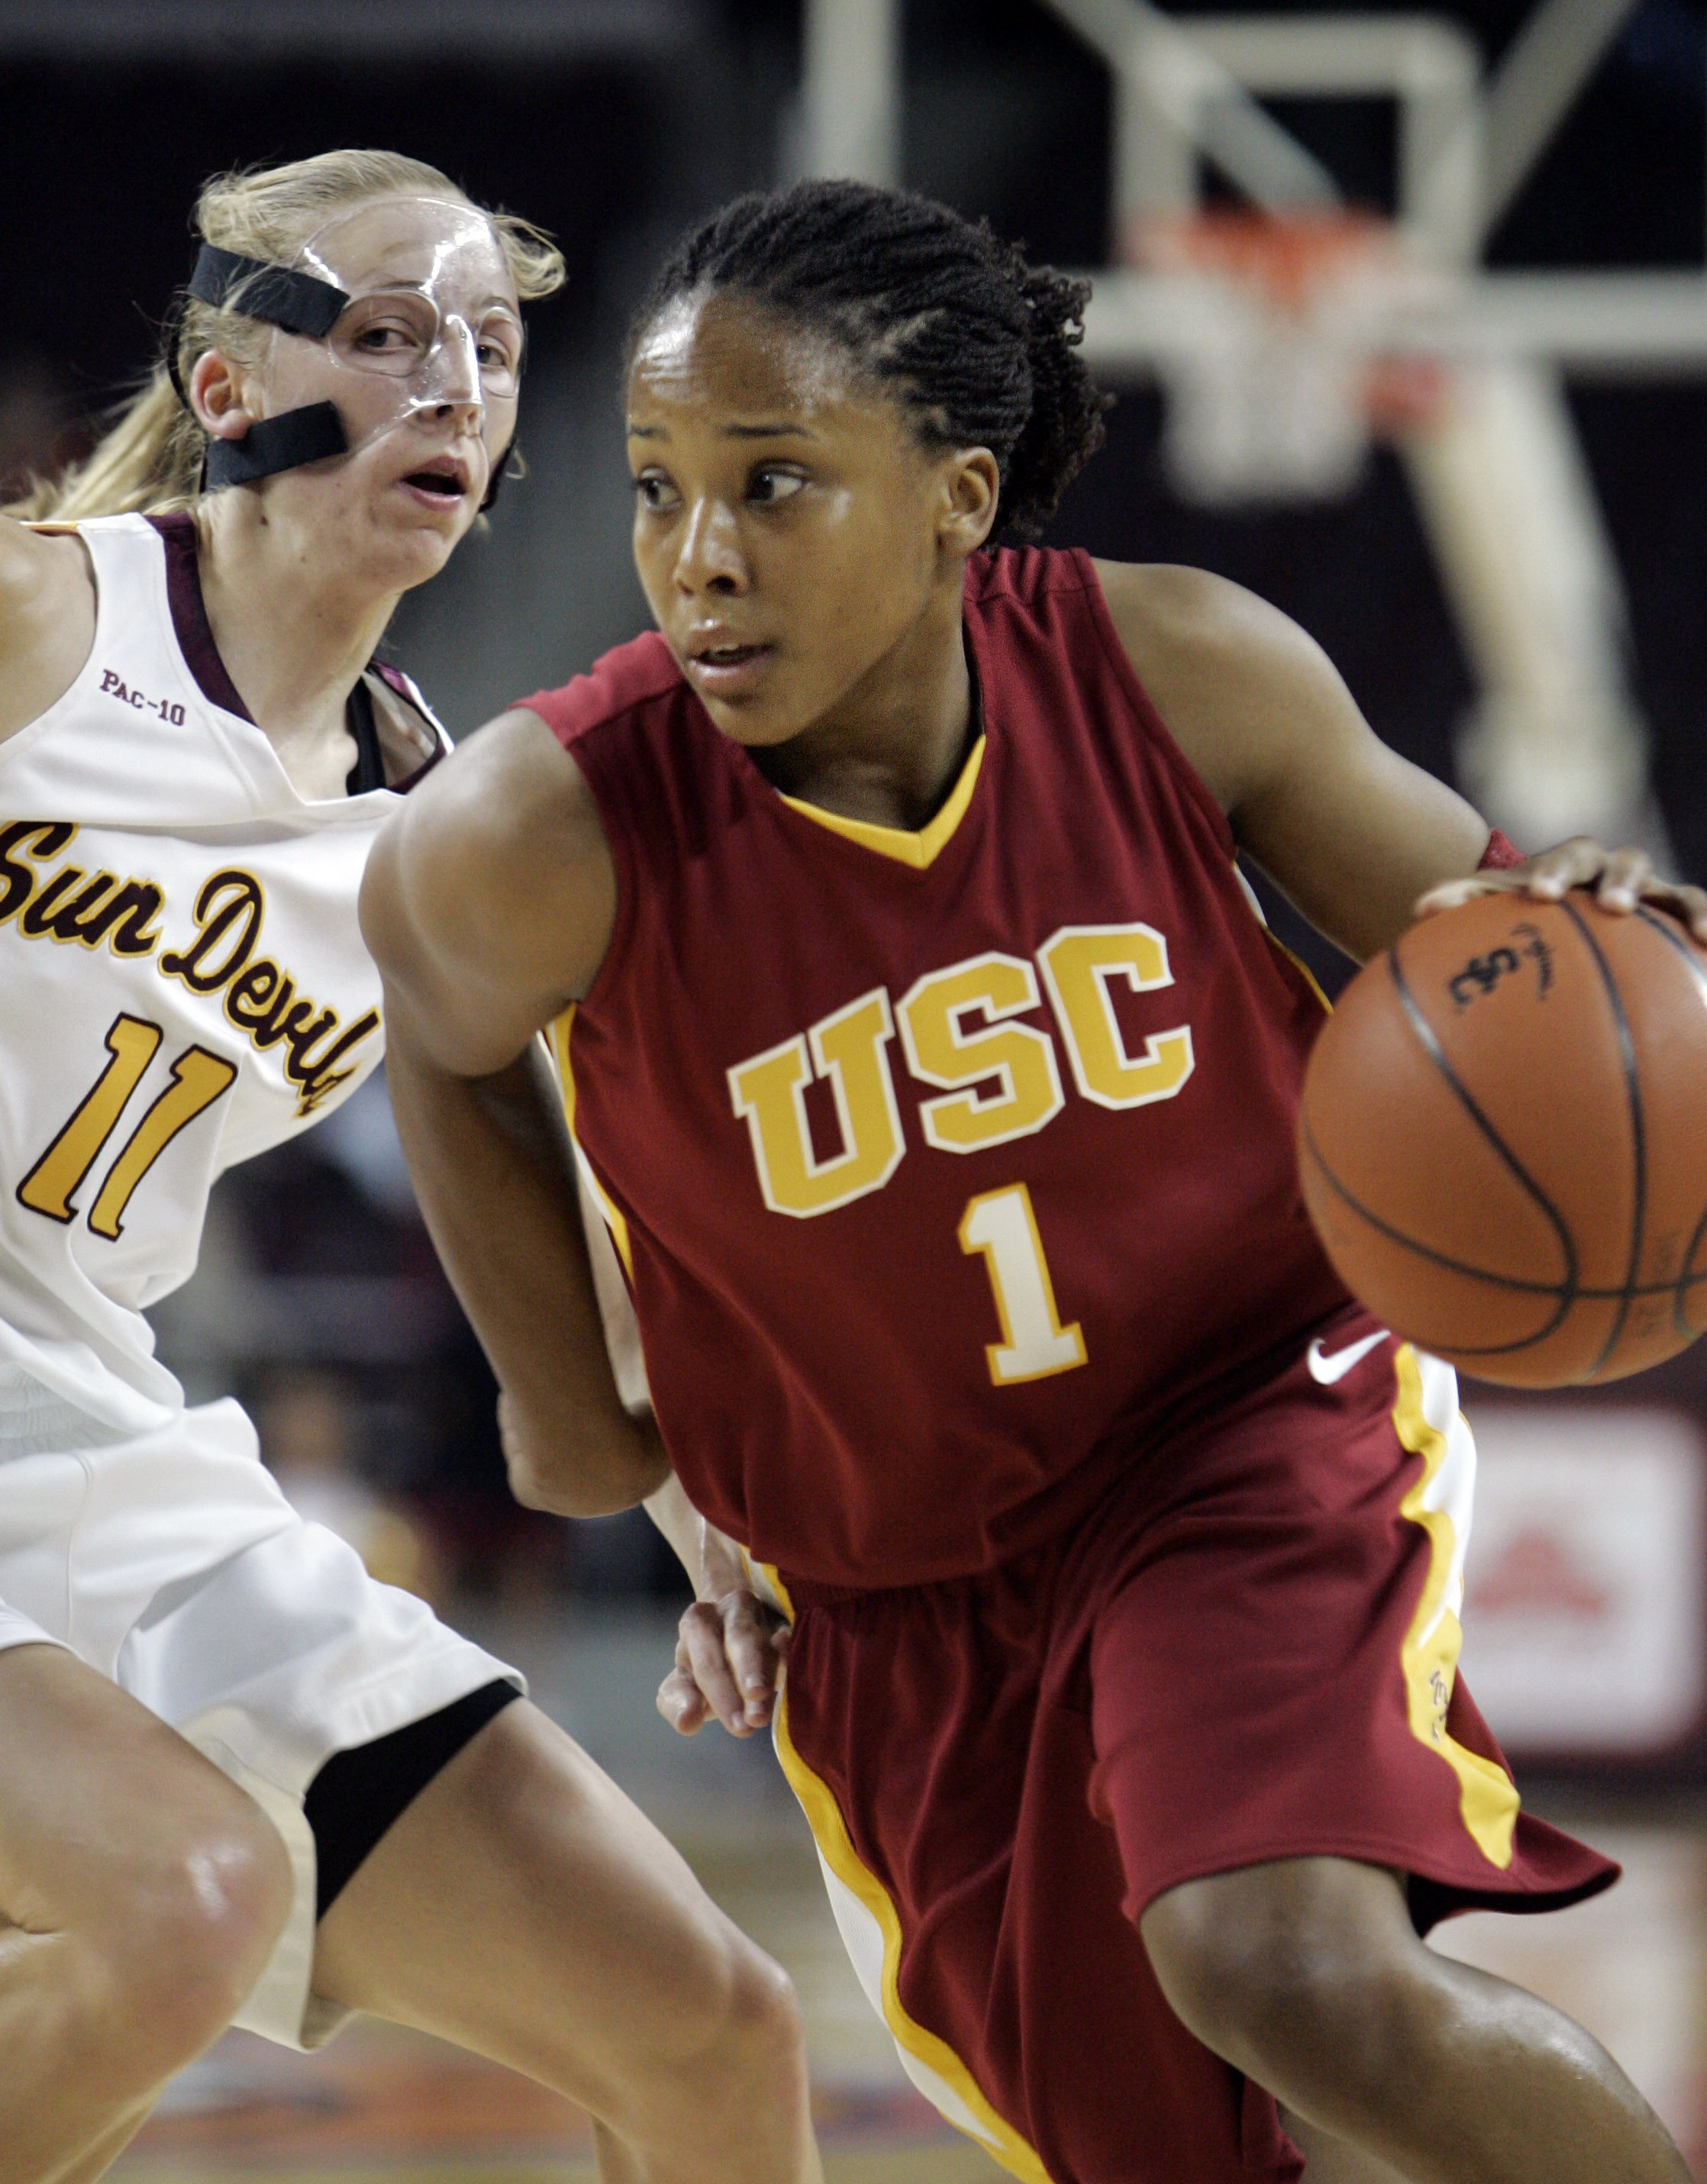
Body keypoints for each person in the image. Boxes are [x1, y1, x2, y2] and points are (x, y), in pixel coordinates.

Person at [362, 179, 1707, 2184]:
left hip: (1237, 1427)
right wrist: (598, 1433)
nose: (696, 558)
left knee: (1287, 1968)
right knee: (1159, 2151)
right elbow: (441, 1029)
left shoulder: (1181, 674)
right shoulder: (546, 827)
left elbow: (1500, 949)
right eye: (659, 488)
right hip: (895, 1592)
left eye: (775, 487)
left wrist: (1594, 946)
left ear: (954, 494)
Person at [0, 151, 820, 2184]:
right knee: (171, 1908)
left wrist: (702, 1490)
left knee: (713, 2036)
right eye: (383, 336)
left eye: (492, 346)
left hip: (91, 1439)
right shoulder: (38, 615)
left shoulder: (441, 831)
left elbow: (568, 1205)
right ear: (227, 389)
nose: (453, 384)